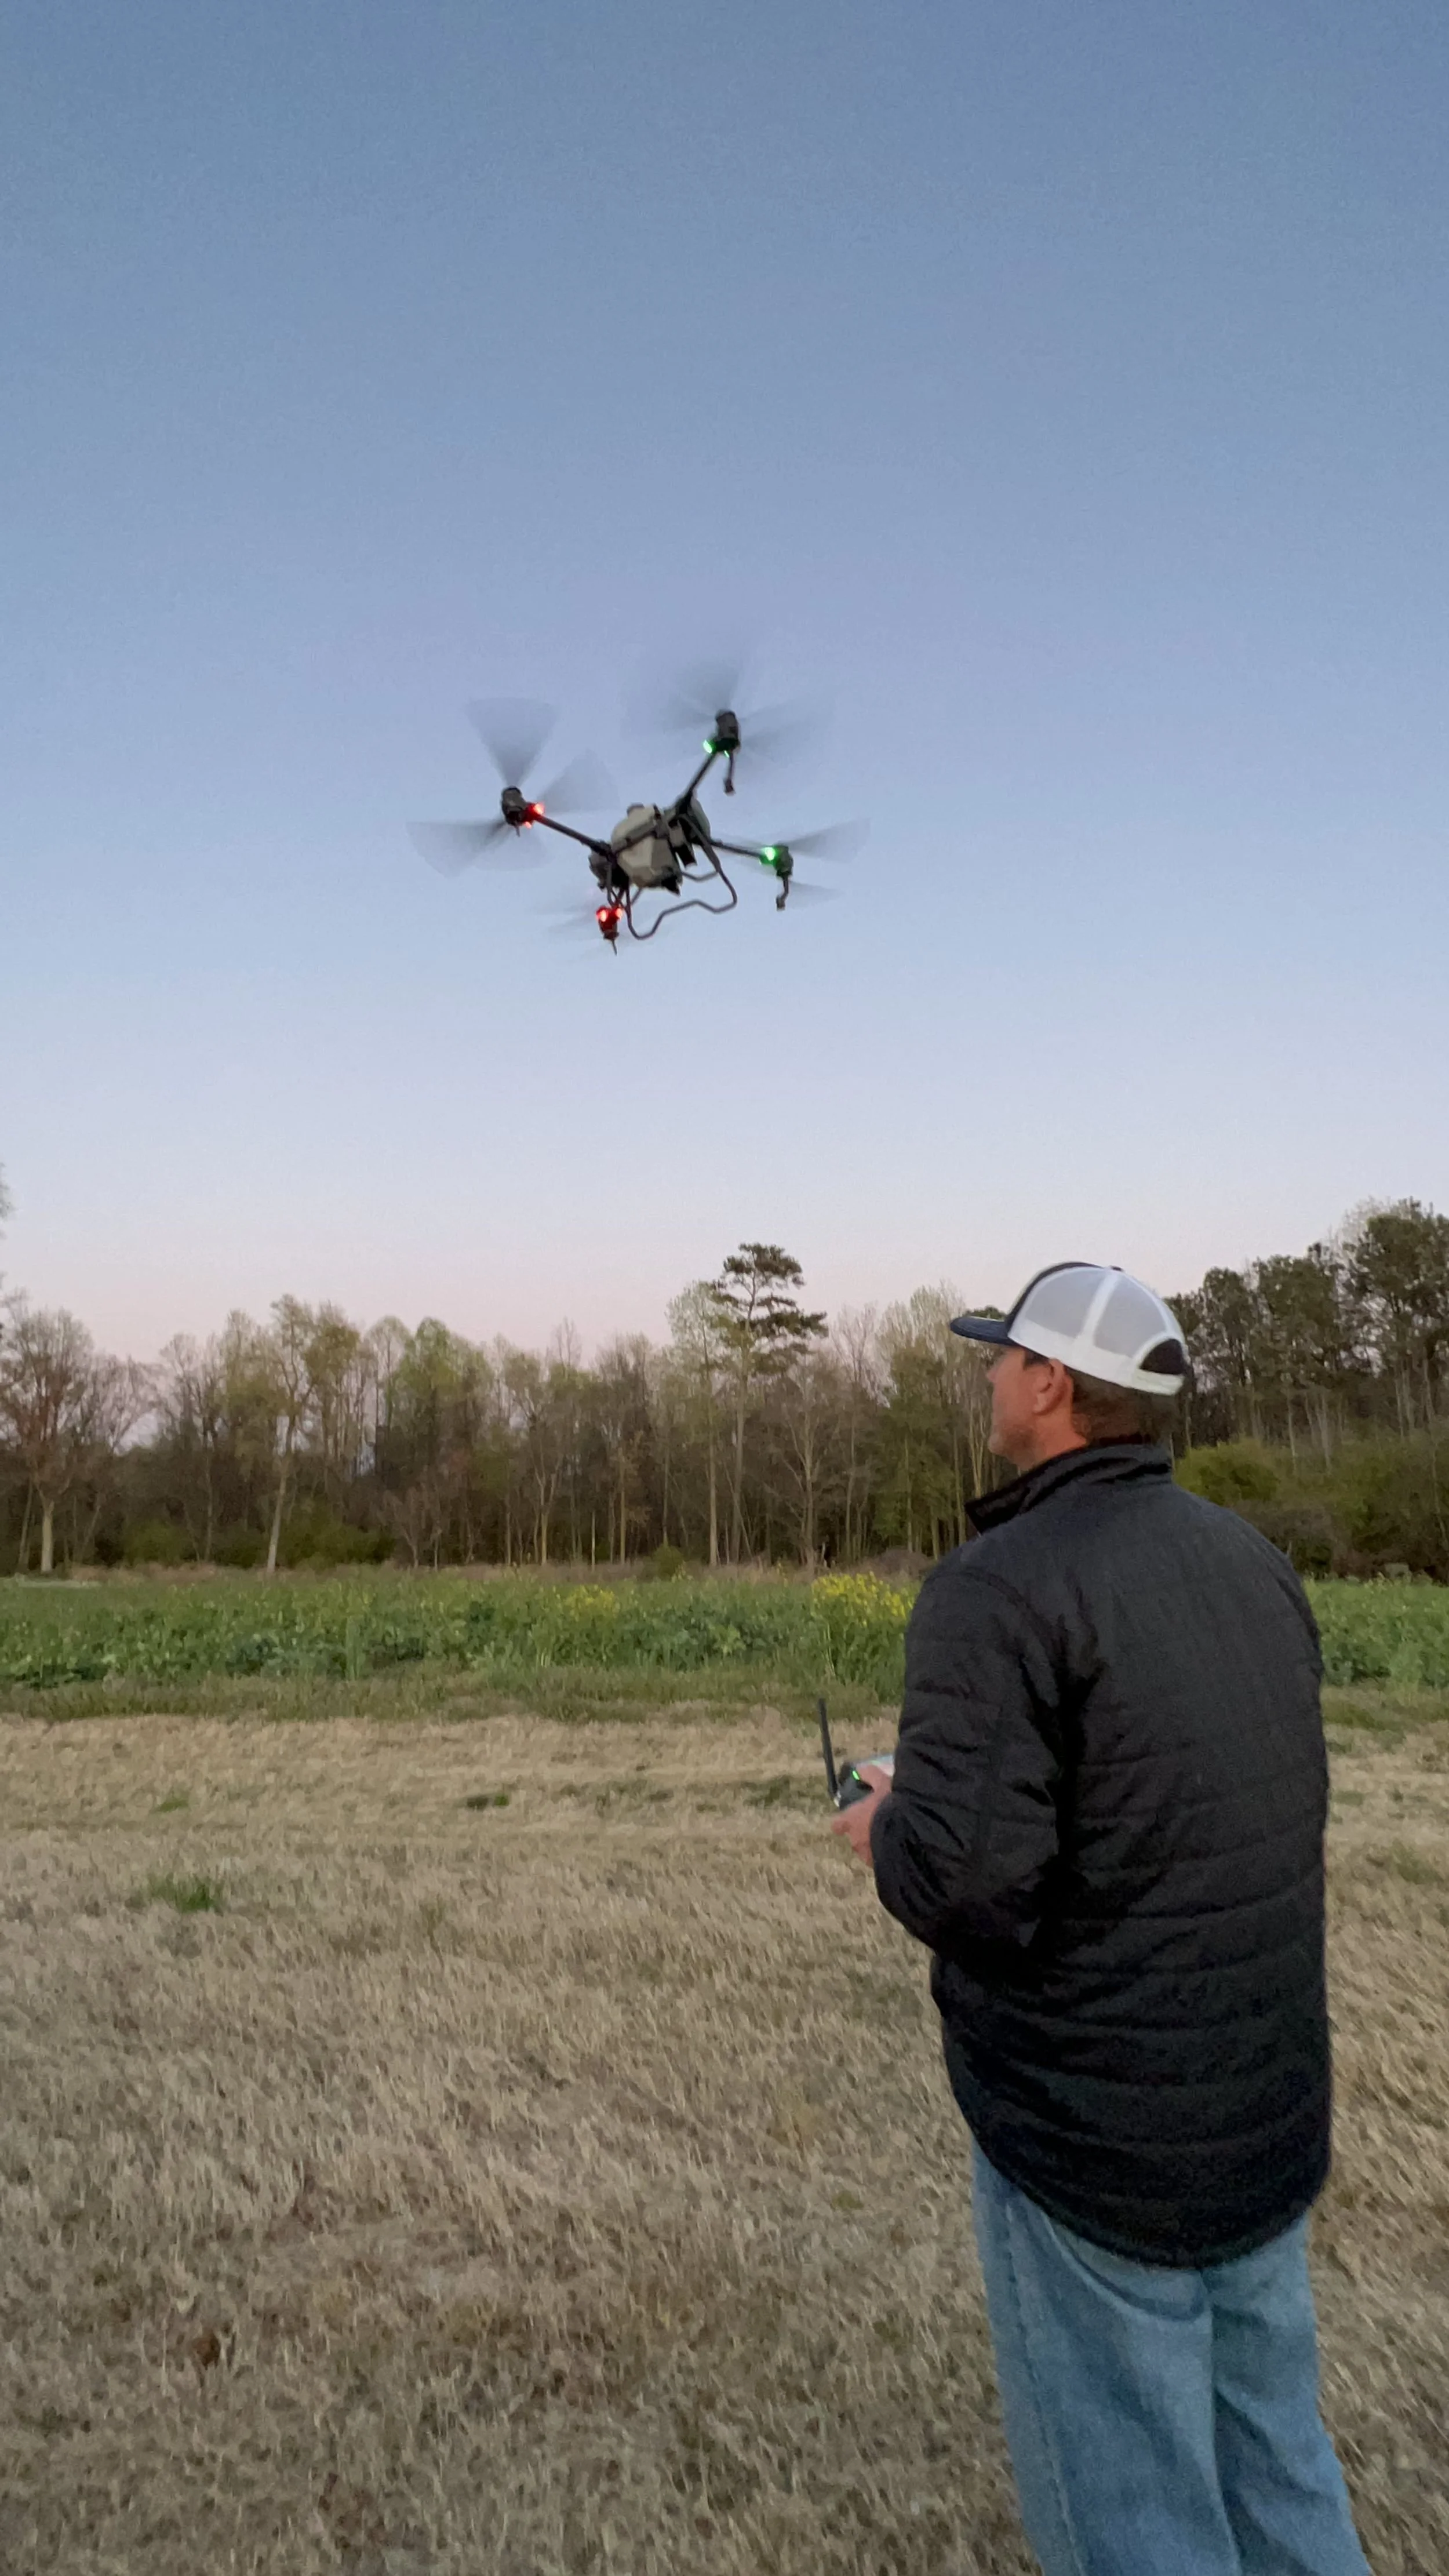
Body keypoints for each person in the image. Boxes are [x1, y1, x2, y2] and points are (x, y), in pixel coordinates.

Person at [832, 1262, 1370, 2576]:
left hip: (1095, 2146)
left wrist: (882, 1824)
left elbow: (965, 1886)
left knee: (1134, 2519)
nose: (987, 1378)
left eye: (999, 1358)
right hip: (1258, 2113)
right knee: (1277, 2469)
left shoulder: (990, 1588)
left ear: (1049, 1386)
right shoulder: (1252, 1561)